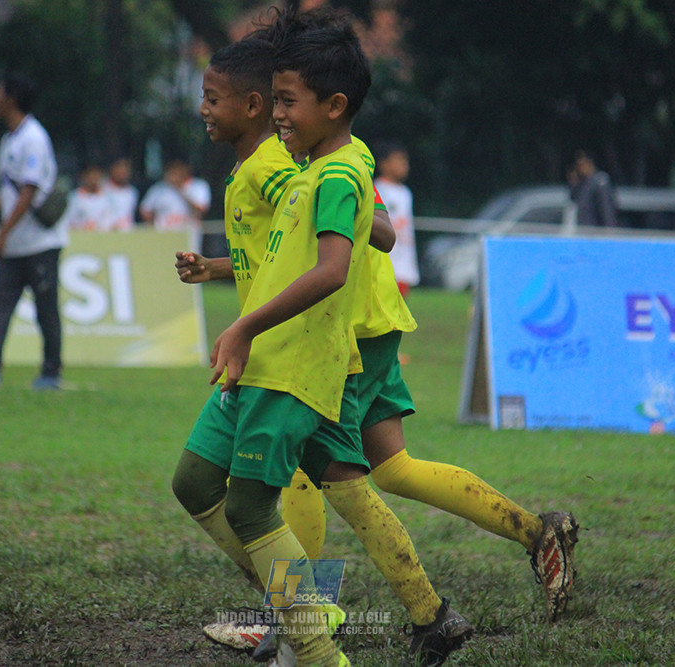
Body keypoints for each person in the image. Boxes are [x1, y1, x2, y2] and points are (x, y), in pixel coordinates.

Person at [172, 17, 471, 667]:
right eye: (277, 99)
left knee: (262, 502)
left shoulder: (319, 172)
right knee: (197, 481)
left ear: (332, 106)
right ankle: (378, 614)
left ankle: (312, 638)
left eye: (287, 102)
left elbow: (334, 265)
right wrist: (221, 272)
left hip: (295, 360)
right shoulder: (315, 167)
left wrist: (244, 325)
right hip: (269, 356)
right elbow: (294, 253)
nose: (279, 115)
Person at [0, 71, 65, 390]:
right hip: (16, 243)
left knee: (45, 310)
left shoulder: (33, 138)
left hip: (40, 242)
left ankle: (51, 372)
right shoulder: (10, 138)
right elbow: (11, 189)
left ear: (11, 99)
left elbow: (29, 191)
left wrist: (2, 234)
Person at [373, 140, 420, 298]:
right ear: (384, 164)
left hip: (404, 257)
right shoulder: (379, 189)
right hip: (388, 258)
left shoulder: (405, 192)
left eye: (405, 161)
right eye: (399, 160)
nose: (404, 165)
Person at [139, 158, 210, 232]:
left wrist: (180, 189)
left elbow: (201, 209)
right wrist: (153, 226)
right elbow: (145, 211)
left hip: (188, 232)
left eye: (178, 170)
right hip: (164, 233)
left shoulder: (198, 186)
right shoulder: (158, 188)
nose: (174, 173)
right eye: (172, 170)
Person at [60, 161, 116, 232]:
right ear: (84, 176)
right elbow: (68, 220)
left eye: (96, 175)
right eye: (91, 175)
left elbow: (111, 221)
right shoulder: (74, 198)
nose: (94, 179)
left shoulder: (108, 198)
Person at [569, 149, 617, 227]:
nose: (579, 168)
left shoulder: (600, 181)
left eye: (581, 164)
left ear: (589, 163)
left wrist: (609, 230)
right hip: (584, 230)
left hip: (596, 231)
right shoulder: (582, 183)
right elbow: (573, 199)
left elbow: (607, 211)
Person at [103, 156, 138, 230]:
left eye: (126, 169)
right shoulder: (102, 189)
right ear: (112, 169)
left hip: (127, 232)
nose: (123, 172)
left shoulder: (132, 192)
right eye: (120, 168)